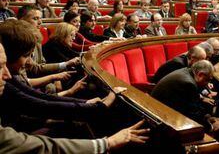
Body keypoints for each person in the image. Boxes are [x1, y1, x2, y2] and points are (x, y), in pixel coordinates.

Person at [0, 41, 150, 152]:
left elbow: (43, 101)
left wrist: (85, 103)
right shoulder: (11, 82)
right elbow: (39, 106)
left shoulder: (10, 79)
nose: (6, 74)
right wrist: (106, 143)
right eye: (0, 67)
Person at [151, 60, 219, 131]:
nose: (207, 84)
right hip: (160, 118)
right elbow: (191, 114)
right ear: (200, 75)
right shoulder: (189, 84)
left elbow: (192, 104)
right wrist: (211, 127)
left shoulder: (187, 72)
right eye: (208, 80)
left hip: (162, 109)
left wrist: (206, 117)